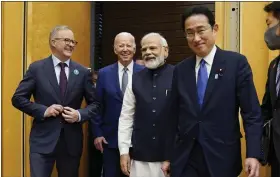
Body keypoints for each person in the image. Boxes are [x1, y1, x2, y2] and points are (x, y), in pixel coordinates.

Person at [163, 6, 263, 177]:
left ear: (214, 29)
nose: (196, 38)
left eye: (201, 30)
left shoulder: (236, 63)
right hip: (186, 157)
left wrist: (253, 153)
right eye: (189, 33)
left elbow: (251, 113)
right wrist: (167, 156)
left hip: (222, 156)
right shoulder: (180, 70)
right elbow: (173, 116)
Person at [11, 25, 100, 177]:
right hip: (42, 141)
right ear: (53, 42)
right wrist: (43, 110)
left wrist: (79, 115)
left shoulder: (83, 72)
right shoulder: (36, 69)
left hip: (71, 143)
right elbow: (18, 98)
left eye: (73, 41)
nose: (71, 44)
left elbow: (96, 104)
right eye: (66, 40)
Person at [118, 32, 173, 177]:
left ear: (165, 51)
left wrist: (173, 155)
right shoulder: (135, 79)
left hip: (169, 156)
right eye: (144, 49)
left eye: (153, 48)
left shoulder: (178, 75)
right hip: (140, 157)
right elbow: (126, 117)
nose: (148, 52)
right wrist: (124, 152)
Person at [90, 32, 144, 177]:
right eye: (121, 45)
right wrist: (97, 134)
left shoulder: (145, 73)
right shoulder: (104, 73)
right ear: (114, 49)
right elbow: (97, 105)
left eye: (128, 45)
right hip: (110, 140)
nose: (125, 49)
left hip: (139, 140)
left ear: (134, 48)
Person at [262, 2, 280, 177]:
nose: (266, 32)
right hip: (276, 153)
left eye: (268, 24)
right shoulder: (274, 66)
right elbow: (267, 108)